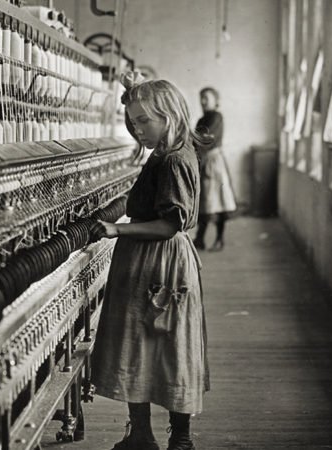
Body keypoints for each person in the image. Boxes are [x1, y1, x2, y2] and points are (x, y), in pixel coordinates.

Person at [89, 73, 209, 450]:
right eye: (132, 121)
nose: (136, 129)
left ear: (169, 116)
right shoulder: (168, 154)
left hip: (159, 261)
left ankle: (178, 439)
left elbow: (170, 224)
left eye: (144, 120)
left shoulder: (173, 161)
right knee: (146, 344)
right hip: (152, 261)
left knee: (163, 344)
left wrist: (115, 229)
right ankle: (144, 435)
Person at [193, 87, 237, 252]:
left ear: (215, 100)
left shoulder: (216, 117)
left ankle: (219, 239)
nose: (203, 101)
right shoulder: (201, 119)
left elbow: (206, 138)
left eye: (206, 98)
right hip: (203, 162)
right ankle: (200, 239)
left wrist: (192, 141)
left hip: (213, 162)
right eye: (201, 98)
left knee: (218, 202)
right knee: (204, 201)